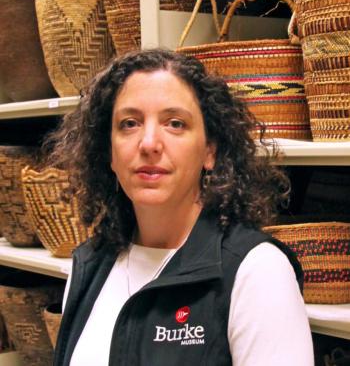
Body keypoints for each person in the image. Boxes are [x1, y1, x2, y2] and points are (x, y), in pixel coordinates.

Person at [46, 48, 314, 366]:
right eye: (129, 123)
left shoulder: (256, 271)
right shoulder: (89, 265)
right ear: (110, 152)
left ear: (209, 151)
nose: (148, 143)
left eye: (175, 123)